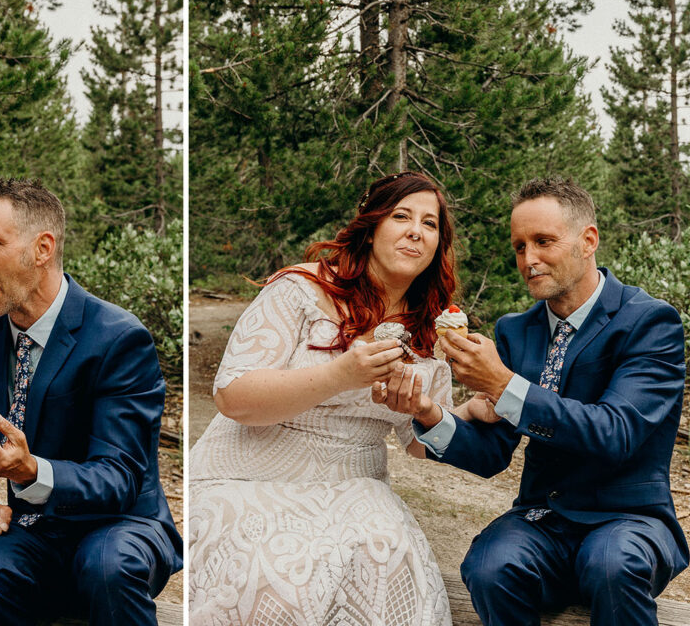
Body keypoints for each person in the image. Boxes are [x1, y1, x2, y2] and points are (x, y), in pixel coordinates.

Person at [189, 171, 494, 626]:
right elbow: (233, 397)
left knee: (388, 562)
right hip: (249, 477)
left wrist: (454, 411)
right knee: (281, 576)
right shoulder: (300, 289)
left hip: (355, 486)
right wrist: (341, 374)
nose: (416, 230)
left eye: (430, 224)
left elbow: (414, 442)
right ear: (371, 229)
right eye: (401, 216)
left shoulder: (434, 328)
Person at [381, 177, 689, 626]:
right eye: (519, 246)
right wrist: (430, 413)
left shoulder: (650, 322)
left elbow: (617, 432)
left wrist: (506, 386)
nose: (529, 259)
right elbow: (492, 454)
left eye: (543, 241)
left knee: (611, 565)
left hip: (630, 521)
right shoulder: (515, 331)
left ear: (588, 240)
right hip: (543, 519)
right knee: (487, 566)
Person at [0, 179, 182, 626]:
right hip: (33, 526)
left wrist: (29, 470)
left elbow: (121, 478)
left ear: (42, 249)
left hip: (121, 524)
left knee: (105, 568)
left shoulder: (119, 337)